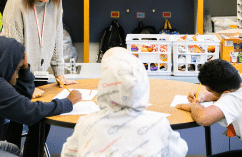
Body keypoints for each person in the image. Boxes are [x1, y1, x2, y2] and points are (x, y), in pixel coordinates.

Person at [1, 0, 78, 155]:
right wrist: (23, 83)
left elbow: (56, 38)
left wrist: (59, 72)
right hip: (15, 77)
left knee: (41, 122)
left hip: (40, 75)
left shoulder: (55, 2)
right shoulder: (17, 1)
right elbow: (12, 47)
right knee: (15, 127)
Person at [60, 47, 188, 157]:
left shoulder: (86, 124)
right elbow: (180, 151)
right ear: (143, 85)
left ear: (104, 85)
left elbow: (67, 153)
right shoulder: (159, 125)